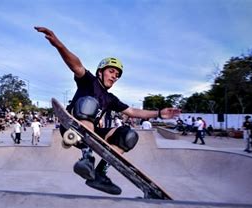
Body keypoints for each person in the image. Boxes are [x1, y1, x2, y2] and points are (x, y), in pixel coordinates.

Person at [35, 26, 180, 195]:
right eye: (111, 71)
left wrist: (160, 113)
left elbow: (132, 112)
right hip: (72, 127)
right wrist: (59, 45)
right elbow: (76, 65)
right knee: (90, 103)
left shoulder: (111, 99)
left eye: (117, 75)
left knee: (128, 136)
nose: (114, 76)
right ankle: (86, 156)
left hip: (92, 133)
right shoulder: (88, 80)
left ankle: (99, 173)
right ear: (100, 71)